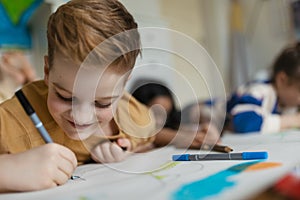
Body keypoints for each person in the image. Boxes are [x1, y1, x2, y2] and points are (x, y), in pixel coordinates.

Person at [0, 0, 156, 193]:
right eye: (66, 97)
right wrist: (6, 170)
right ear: (47, 71)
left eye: (102, 103)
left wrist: (128, 148)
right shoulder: (10, 121)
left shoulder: (127, 111)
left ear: (123, 86)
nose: (82, 118)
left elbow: (152, 132)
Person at [226, 41, 300, 134]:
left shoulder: (288, 104)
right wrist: (293, 120)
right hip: (209, 114)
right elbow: (242, 122)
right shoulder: (260, 92)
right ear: (282, 80)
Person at [131, 79, 220, 149]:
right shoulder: (131, 125)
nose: (160, 121)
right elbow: (153, 133)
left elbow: (174, 127)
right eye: (156, 113)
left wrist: (202, 130)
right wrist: (185, 137)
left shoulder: (173, 122)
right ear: (138, 107)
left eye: (166, 114)